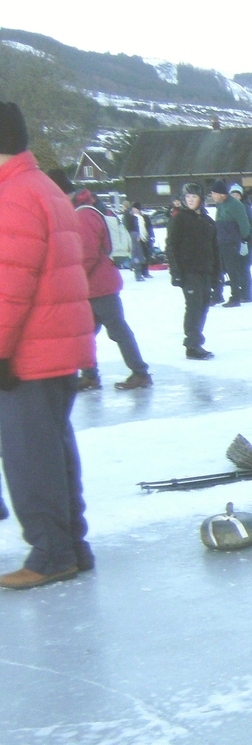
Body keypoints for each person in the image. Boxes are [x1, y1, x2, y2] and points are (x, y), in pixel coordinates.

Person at [0, 102, 96, 588]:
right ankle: (71, 545)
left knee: (29, 457)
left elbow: (7, 285)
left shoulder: (11, 196)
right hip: (56, 348)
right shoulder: (43, 188)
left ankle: (52, 553)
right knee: (53, 450)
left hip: (28, 354)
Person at [46, 170, 152, 391]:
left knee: (117, 331)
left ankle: (140, 373)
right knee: (86, 334)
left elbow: (87, 254)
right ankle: (91, 375)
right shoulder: (78, 209)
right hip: (94, 287)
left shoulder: (82, 214)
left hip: (100, 287)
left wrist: (71, 279)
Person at [166, 183, 222, 360]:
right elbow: (171, 247)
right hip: (188, 271)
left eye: (194, 197)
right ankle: (192, 344)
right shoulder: (179, 219)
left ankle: (196, 341)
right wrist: (175, 272)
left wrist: (217, 275)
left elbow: (215, 249)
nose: (190, 200)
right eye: (187, 197)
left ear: (200, 200)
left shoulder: (207, 221)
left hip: (205, 269)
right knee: (194, 306)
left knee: (204, 305)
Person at [210, 179, 251, 307]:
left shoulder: (236, 205)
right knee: (218, 269)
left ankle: (236, 297)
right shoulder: (220, 204)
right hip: (220, 241)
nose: (212, 196)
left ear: (222, 194)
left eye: (214, 193)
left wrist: (243, 239)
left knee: (232, 270)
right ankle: (217, 295)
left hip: (231, 242)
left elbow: (244, 225)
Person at [228, 184, 252, 302]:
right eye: (232, 194)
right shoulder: (231, 206)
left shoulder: (244, 207)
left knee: (244, 268)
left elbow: (244, 225)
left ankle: (246, 294)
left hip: (244, 241)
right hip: (235, 241)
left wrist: (244, 239)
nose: (235, 196)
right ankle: (242, 292)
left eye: (237, 194)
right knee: (238, 268)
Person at [121, 200, 148, 281]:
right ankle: (139, 271)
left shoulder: (127, 214)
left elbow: (126, 227)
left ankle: (138, 274)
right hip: (135, 234)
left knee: (135, 254)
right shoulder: (132, 214)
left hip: (131, 235)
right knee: (137, 254)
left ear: (124, 206)